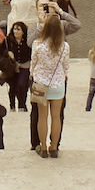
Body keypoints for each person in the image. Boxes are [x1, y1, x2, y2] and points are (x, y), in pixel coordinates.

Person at [30, 10, 70, 157]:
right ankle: (54, 147)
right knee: (56, 116)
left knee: (42, 116)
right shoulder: (65, 46)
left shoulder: (38, 44)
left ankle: (43, 147)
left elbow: (34, 63)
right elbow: (65, 65)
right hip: (58, 83)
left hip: (40, 82)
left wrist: (33, 74)